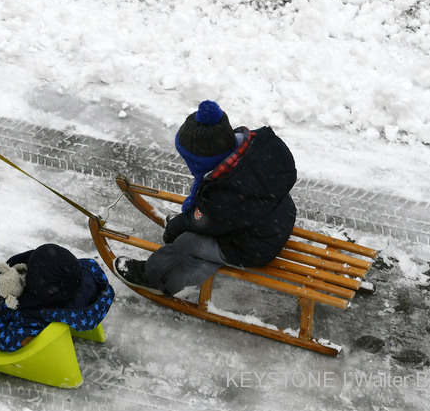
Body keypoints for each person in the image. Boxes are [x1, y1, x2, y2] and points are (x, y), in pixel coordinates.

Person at [113, 100, 297, 295]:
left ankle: (155, 277)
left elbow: (200, 221)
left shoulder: (223, 196)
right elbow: (211, 212)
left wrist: (175, 228)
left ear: (201, 162)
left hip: (254, 247)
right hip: (275, 220)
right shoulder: (255, 149)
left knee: (188, 243)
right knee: (205, 229)